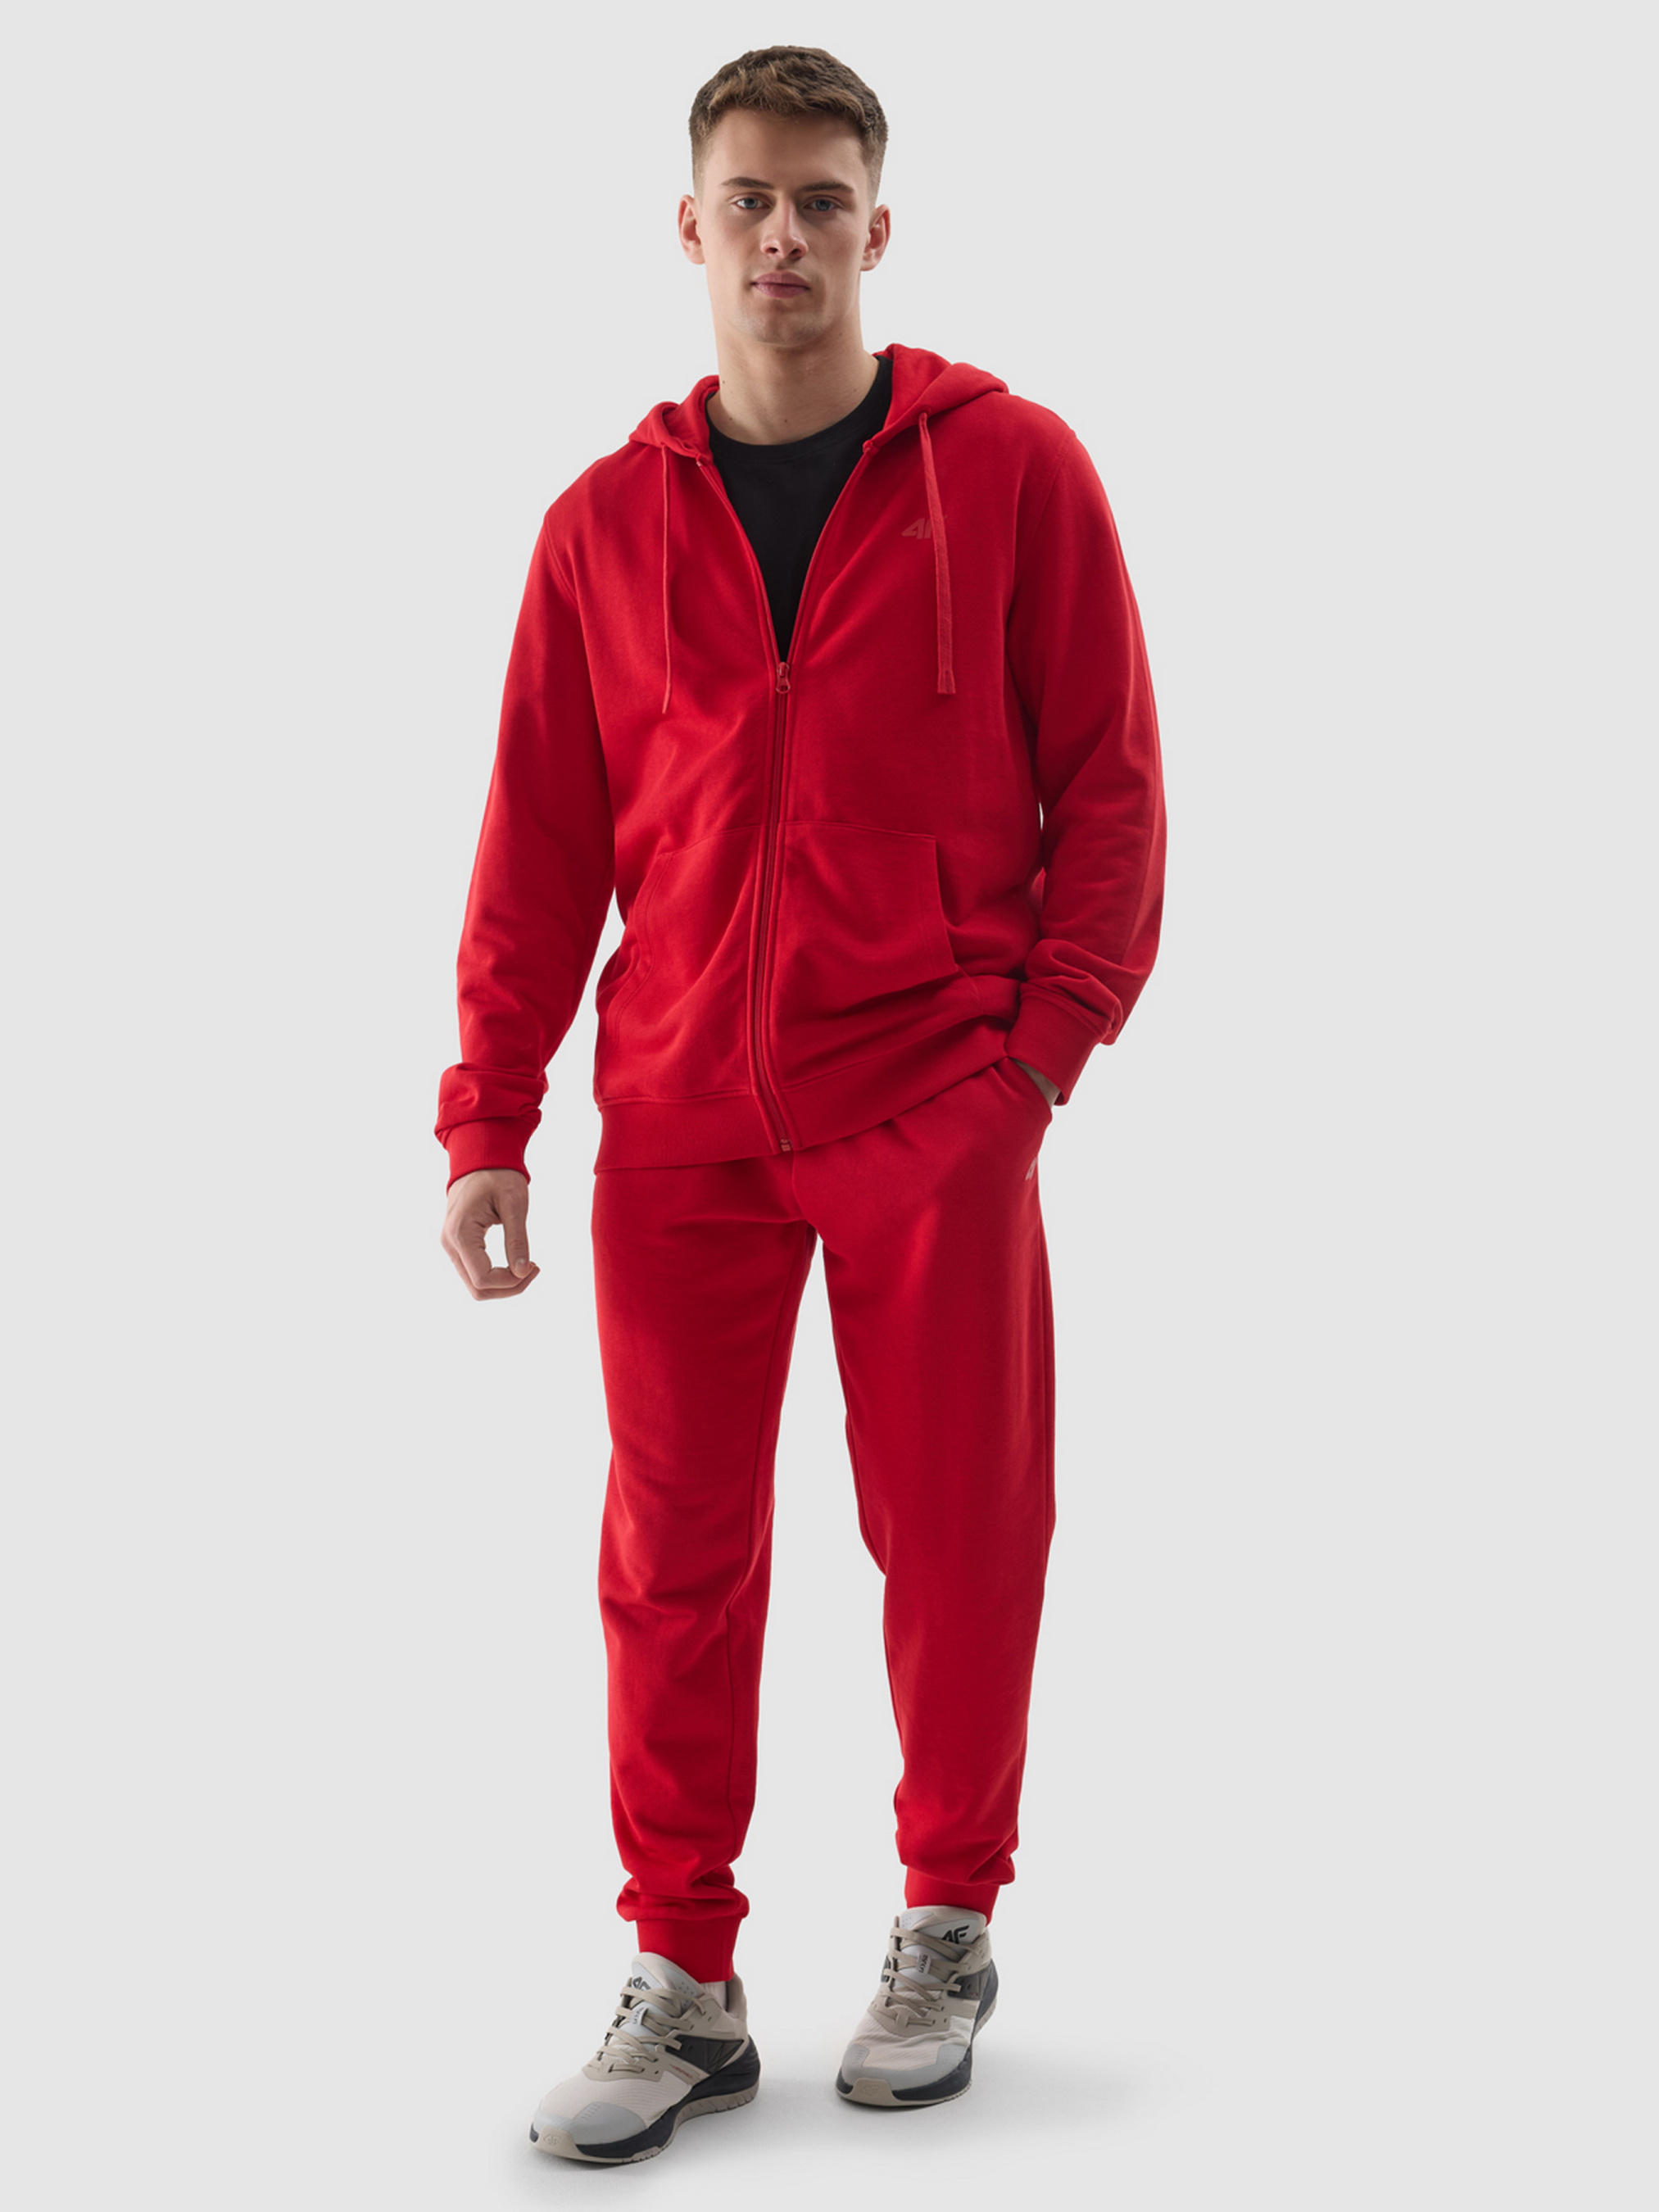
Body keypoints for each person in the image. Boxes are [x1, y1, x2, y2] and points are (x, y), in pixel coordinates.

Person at [435, 43, 1167, 2166]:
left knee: (959, 1529)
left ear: (876, 227)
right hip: (677, 1124)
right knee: (673, 1557)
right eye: (747, 200)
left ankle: (945, 1922)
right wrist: (489, 1116)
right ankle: (684, 1973)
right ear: (691, 227)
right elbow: (536, 848)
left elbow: (1112, 795)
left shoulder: (1011, 471)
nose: (783, 236)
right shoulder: (600, 527)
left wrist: (1030, 1070)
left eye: (820, 200)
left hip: (935, 1102)